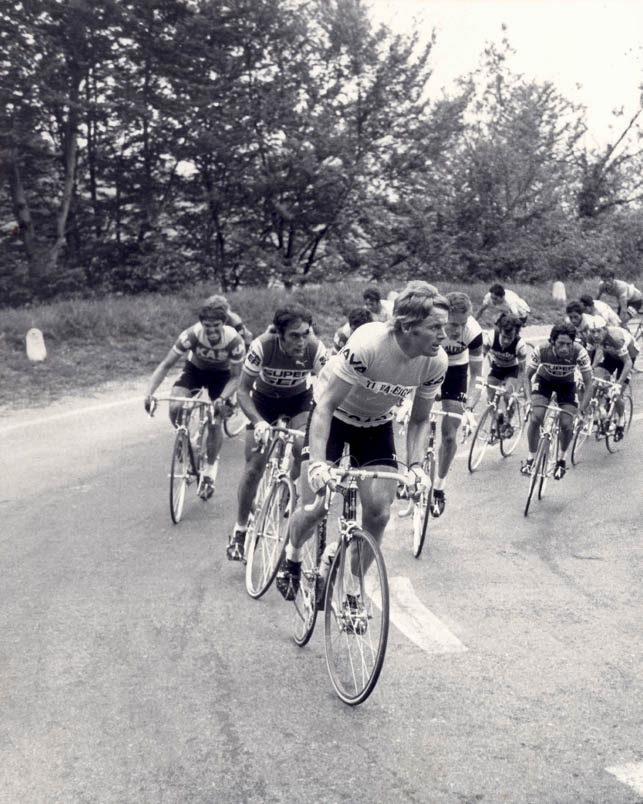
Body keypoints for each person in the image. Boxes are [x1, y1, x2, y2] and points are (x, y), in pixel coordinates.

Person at [276, 286, 449, 602]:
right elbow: (326, 405)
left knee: (379, 513)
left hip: (376, 425)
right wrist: (317, 463)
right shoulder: (368, 344)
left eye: (445, 327)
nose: (443, 335)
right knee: (316, 506)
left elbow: (420, 420)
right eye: (436, 327)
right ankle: (294, 553)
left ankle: (354, 586)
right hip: (334, 417)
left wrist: (415, 468)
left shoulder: (435, 362)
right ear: (409, 327)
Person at [227, 304, 328, 560]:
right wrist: (258, 422)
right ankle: (240, 530)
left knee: (300, 448)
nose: (301, 341)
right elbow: (242, 390)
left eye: (306, 333)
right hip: (264, 401)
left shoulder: (315, 349)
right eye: (294, 335)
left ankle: (289, 483)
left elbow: (329, 388)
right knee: (253, 467)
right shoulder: (263, 346)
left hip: (298, 401)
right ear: (280, 335)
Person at [144, 299, 246, 498]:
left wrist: (223, 398)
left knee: (216, 421)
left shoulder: (234, 341)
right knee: (175, 406)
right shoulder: (191, 335)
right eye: (207, 326)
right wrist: (149, 392)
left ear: (223, 324)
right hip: (195, 371)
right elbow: (165, 365)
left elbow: (236, 377)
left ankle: (209, 472)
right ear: (201, 325)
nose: (212, 331)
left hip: (223, 377)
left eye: (216, 326)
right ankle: (185, 439)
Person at [433, 292, 484, 516]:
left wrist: (470, 406)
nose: (456, 330)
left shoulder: (473, 333)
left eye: (462, 324)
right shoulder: (432, 323)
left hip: (456, 372)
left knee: (450, 434)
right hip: (428, 364)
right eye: (453, 324)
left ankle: (439, 488)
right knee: (416, 419)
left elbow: (476, 377)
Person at [521, 322, 593, 480]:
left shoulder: (579, 352)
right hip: (544, 382)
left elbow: (589, 383)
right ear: (552, 341)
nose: (565, 348)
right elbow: (526, 376)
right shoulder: (541, 350)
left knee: (567, 425)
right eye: (561, 343)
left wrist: (582, 410)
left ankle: (561, 460)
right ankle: (530, 459)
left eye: (568, 344)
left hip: (567, 386)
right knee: (536, 417)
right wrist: (527, 400)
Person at [586, 320, 638, 441]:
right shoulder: (591, 337)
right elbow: (588, 357)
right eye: (593, 331)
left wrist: (618, 383)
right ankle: (599, 410)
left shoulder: (616, 338)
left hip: (627, 357)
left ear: (605, 329)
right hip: (610, 355)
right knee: (596, 380)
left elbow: (628, 362)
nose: (595, 335)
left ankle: (620, 421)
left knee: (616, 393)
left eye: (598, 331)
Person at [482, 313, 530, 432]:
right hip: (497, 368)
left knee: (508, 396)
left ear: (516, 334)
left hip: (512, 370)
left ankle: (510, 420)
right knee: (491, 397)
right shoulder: (491, 337)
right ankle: (494, 421)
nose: (506, 341)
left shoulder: (520, 344)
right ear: (500, 330)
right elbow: (479, 359)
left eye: (510, 337)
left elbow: (522, 371)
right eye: (504, 336)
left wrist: (517, 391)